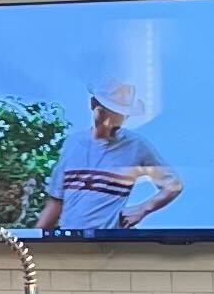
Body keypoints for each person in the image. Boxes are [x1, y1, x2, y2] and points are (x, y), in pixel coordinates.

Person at [37, 81, 181, 232]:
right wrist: (33, 239)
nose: (110, 123)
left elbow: (173, 185)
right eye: (106, 112)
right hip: (71, 240)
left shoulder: (136, 145)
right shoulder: (73, 143)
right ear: (93, 104)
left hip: (110, 240)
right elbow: (56, 201)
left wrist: (142, 209)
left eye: (119, 115)